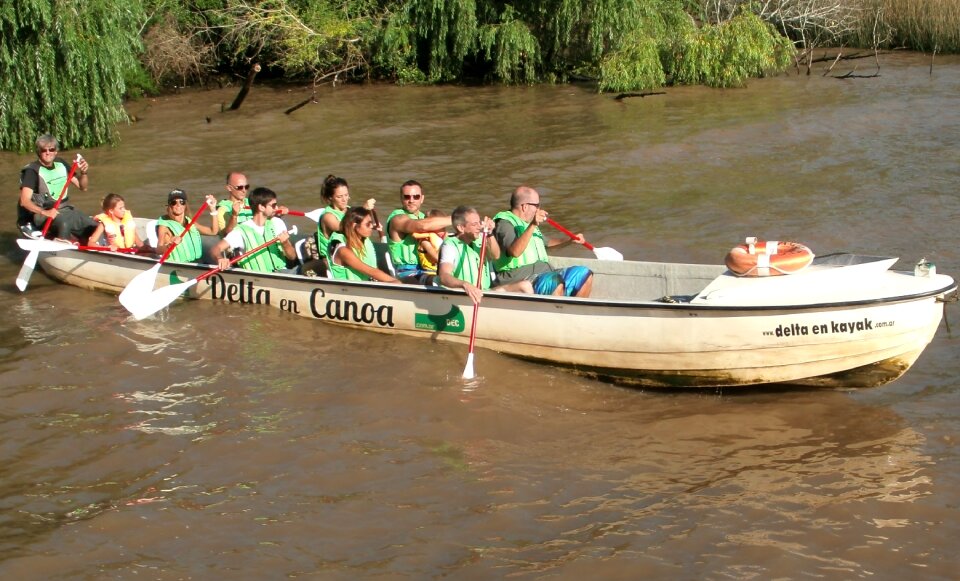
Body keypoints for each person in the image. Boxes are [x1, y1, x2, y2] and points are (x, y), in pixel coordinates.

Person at [492, 186, 594, 297]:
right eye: (537, 205)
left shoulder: (528, 224)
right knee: (554, 282)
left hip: (544, 272)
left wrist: (569, 240)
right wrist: (533, 225)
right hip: (520, 277)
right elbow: (515, 252)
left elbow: (548, 243)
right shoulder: (504, 223)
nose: (539, 209)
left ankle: (574, 313)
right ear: (525, 206)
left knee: (583, 274)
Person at [438, 206, 532, 304]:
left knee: (525, 286)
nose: (479, 227)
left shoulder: (481, 238)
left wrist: (490, 234)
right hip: (464, 294)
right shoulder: (449, 246)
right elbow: (444, 276)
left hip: (484, 292)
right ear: (461, 228)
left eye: (480, 222)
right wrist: (465, 285)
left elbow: (496, 255)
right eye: (474, 224)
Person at [17, 134, 97, 241]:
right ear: (39, 152)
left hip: (65, 209)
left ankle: (91, 245)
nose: (48, 152)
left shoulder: (61, 163)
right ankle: (63, 249)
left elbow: (83, 187)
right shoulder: (32, 171)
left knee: (92, 225)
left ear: (56, 151)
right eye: (43, 150)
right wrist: (45, 212)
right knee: (64, 223)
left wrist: (84, 173)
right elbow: (24, 201)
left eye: (51, 149)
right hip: (43, 213)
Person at [211, 187, 297, 273]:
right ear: (261, 207)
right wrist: (220, 259)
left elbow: (292, 256)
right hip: (258, 278)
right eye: (273, 205)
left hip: (283, 273)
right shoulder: (241, 231)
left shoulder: (277, 223)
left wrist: (285, 243)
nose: (276, 208)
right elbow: (215, 249)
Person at [385, 180, 452, 284]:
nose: (411, 200)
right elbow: (422, 226)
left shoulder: (425, 217)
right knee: (440, 281)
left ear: (422, 198)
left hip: (431, 268)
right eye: (407, 197)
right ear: (401, 198)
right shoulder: (397, 218)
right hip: (408, 272)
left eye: (416, 196)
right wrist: (459, 219)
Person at [328, 207, 399, 283]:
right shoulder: (343, 250)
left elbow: (374, 269)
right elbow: (371, 271)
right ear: (354, 226)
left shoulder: (363, 241)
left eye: (371, 223)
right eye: (368, 224)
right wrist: (395, 282)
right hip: (348, 291)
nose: (372, 226)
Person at [156, 189, 219, 263]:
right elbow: (158, 250)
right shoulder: (164, 226)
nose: (178, 205)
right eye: (174, 202)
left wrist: (213, 209)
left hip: (197, 263)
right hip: (180, 266)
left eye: (181, 202)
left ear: (185, 205)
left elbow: (213, 231)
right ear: (169, 206)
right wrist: (170, 245)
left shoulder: (190, 222)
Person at [413, 208, 448, 283]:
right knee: (439, 280)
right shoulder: (425, 241)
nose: (442, 231)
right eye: (438, 228)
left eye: (443, 228)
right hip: (427, 273)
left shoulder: (443, 238)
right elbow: (437, 258)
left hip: (441, 272)